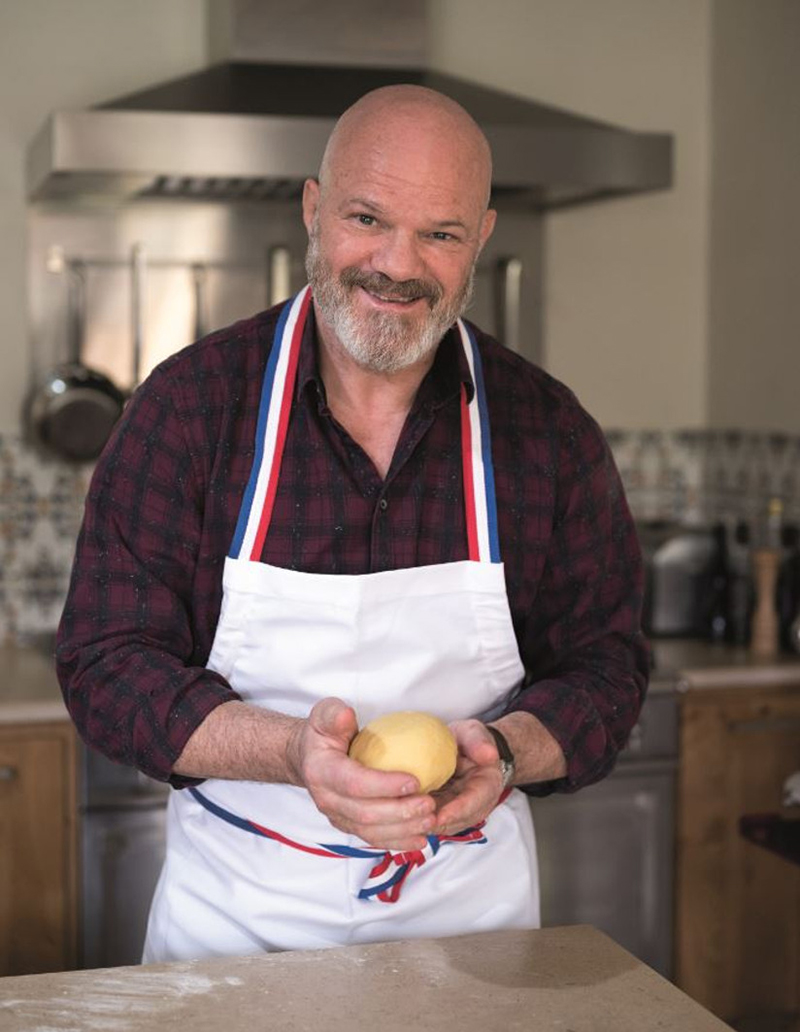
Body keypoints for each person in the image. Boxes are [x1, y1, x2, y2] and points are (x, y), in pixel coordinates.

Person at [57, 84, 648, 963]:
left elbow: (609, 666)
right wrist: (294, 753)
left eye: (440, 233)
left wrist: (503, 754)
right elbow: (106, 665)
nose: (397, 265)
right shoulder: (190, 408)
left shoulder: (547, 430)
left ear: (483, 237)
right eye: (368, 218)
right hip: (235, 935)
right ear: (314, 208)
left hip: (471, 931)